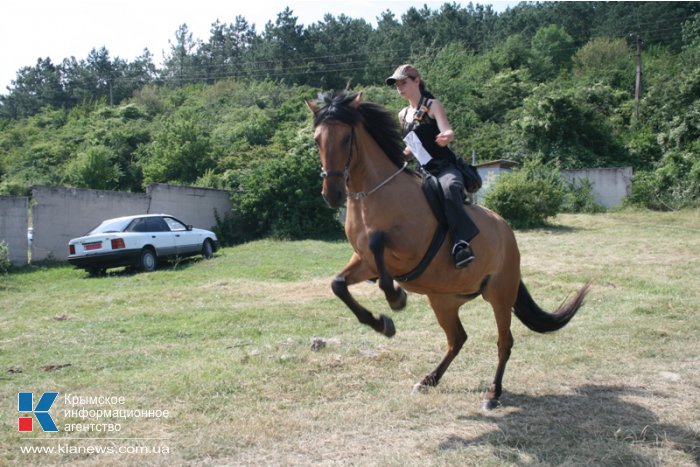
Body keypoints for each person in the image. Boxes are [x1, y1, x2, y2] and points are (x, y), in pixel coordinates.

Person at [386, 64, 479, 268]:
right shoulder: (402, 115)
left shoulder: (432, 105)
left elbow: (447, 130)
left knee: (450, 187)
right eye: (396, 85)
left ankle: (460, 243)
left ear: (416, 80)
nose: (399, 87)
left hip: (445, 168)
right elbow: (410, 150)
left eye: (403, 82)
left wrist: (448, 136)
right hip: (422, 172)